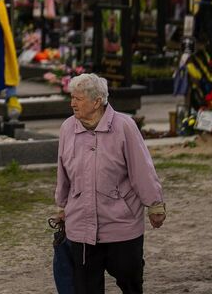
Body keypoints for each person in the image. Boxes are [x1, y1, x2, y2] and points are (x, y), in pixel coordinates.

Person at [52, 73, 164, 293]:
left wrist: (155, 204)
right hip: (81, 226)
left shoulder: (124, 126)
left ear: (96, 101)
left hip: (121, 225)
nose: (72, 103)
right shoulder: (67, 128)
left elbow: (141, 168)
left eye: (78, 98)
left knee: (130, 282)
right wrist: (61, 205)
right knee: (86, 287)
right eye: (72, 97)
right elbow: (62, 170)